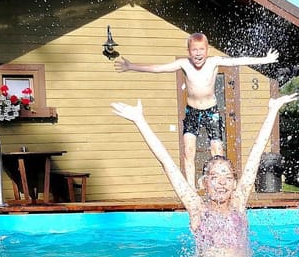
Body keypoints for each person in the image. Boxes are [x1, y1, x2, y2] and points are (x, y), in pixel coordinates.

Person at [111, 91, 298, 257]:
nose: (222, 182)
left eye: (227, 177)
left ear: (235, 183)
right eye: (215, 177)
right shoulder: (198, 210)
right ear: (204, 183)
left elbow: (255, 156)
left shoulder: (238, 204)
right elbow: (167, 164)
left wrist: (272, 111)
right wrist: (140, 121)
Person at [114, 32, 279, 187]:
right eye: (194, 50)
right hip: (192, 111)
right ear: (189, 51)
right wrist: (131, 66)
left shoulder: (214, 62)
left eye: (201, 50)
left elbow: (237, 61)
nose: (198, 53)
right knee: (189, 150)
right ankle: (191, 188)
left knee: (217, 150)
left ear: (207, 50)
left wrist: (265, 59)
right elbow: (159, 68)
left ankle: (219, 183)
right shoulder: (184, 64)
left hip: (212, 112)